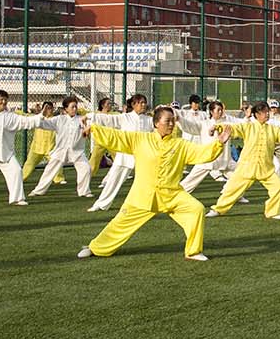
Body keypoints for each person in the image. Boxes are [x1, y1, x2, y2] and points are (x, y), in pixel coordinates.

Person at [79, 106, 229, 261]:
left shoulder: (180, 145)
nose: (171, 124)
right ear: (156, 123)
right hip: (143, 195)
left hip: (172, 194)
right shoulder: (141, 139)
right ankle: (95, 248)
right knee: (119, 224)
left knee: (196, 209)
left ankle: (193, 251)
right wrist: (94, 129)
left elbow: (201, 153)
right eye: (167, 121)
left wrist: (218, 143)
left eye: (173, 121)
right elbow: (117, 136)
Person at [206, 101, 280, 220]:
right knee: (231, 189)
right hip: (247, 167)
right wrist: (217, 127)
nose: (267, 114)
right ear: (256, 114)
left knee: (278, 186)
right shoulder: (248, 126)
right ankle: (217, 209)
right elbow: (233, 127)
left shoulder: (273, 129)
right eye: (264, 112)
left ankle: (272, 212)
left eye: (268, 112)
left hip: (265, 168)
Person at [87, 94, 152, 212]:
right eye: (140, 103)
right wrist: (89, 116)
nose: (143, 105)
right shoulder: (125, 117)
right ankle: (101, 204)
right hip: (125, 156)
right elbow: (108, 119)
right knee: (113, 180)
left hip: (143, 156)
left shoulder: (149, 120)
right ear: (133, 105)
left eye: (144, 103)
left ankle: (148, 204)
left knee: (150, 180)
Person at [28, 96, 93, 197]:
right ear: (66, 109)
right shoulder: (59, 119)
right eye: (72, 107)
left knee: (86, 168)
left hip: (77, 151)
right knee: (50, 170)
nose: (74, 109)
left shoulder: (81, 119)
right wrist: (42, 115)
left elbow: (89, 130)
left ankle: (84, 192)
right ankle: (38, 190)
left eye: (76, 107)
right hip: (61, 150)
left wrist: (87, 129)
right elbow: (43, 124)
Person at [22, 102, 64, 185]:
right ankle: (22, 178)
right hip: (37, 147)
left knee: (56, 162)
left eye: (51, 108)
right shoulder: (38, 118)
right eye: (47, 108)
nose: (49, 110)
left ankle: (58, 179)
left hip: (50, 148)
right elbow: (25, 116)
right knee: (29, 164)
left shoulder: (56, 120)